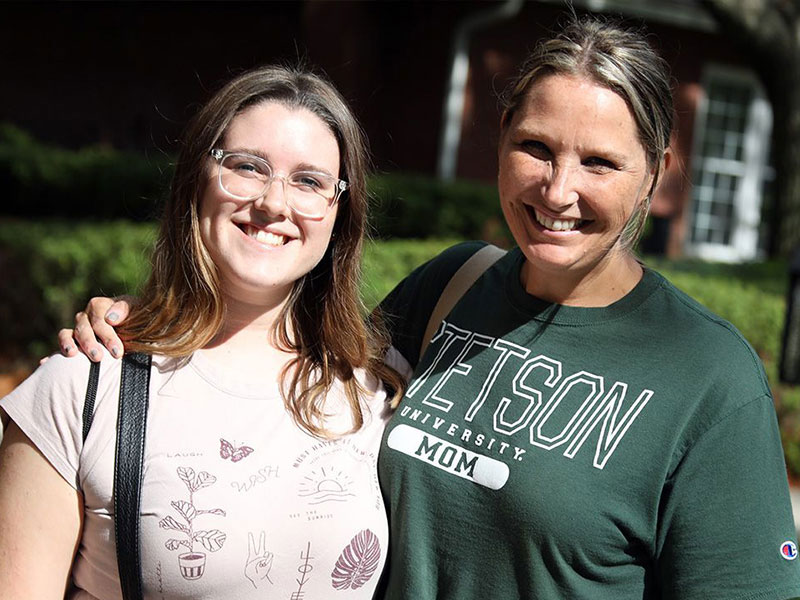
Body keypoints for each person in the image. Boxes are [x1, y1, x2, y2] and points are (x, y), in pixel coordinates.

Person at [55, 16, 800, 600]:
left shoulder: (709, 379)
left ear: (657, 174)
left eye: (600, 162)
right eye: (536, 147)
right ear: (500, 138)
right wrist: (148, 328)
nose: (559, 190)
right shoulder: (450, 288)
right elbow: (285, 382)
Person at [0, 65, 406, 599]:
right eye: (247, 167)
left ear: (339, 210)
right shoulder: (86, 383)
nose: (274, 203)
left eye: (309, 181)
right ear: (197, 178)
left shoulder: (380, 386)